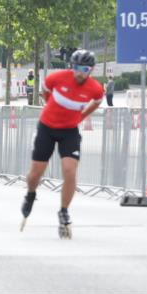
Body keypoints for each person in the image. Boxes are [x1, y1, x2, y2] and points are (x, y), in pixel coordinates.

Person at [20, 49, 104, 239]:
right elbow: (45, 91)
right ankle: (31, 194)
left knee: (70, 171)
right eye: (76, 68)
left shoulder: (95, 88)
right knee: (36, 173)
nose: (80, 73)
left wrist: (82, 116)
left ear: (91, 70)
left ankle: (64, 210)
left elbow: (98, 101)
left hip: (69, 131)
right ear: (71, 67)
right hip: (47, 128)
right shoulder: (57, 78)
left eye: (84, 69)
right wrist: (52, 106)